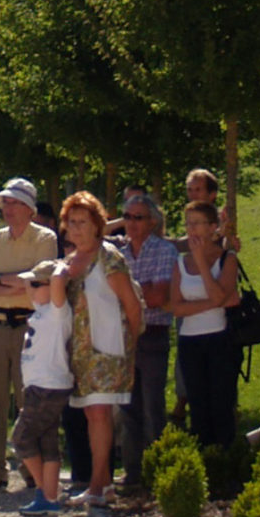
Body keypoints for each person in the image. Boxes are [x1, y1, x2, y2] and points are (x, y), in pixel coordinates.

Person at [0, 178, 58, 490]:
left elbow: (39, 279)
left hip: (29, 324)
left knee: (29, 400)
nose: (7, 208)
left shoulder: (45, 239)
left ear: (29, 209)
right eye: (5, 202)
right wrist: (14, 281)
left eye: (14, 202)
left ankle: (32, 468)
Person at [61, 192, 142, 505]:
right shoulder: (68, 262)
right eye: (72, 222)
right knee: (90, 415)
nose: (78, 228)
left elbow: (132, 306)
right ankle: (103, 483)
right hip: (78, 351)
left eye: (84, 222)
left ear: (98, 225)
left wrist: (130, 347)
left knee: (98, 414)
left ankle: (97, 484)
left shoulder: (109, 257)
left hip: (107, 349)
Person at [113, 193, 177, 489]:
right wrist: (139, 293)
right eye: (126, 217)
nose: (131, 223)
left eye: (138, 217)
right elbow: (139, 295)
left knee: (153, 406)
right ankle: (133, 472)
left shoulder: (164, 250)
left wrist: (127, 295)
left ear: (152, 221)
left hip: (152, 336)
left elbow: (159, 296)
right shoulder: (117, 254)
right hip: (123, 337)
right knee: (128, 408)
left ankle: (157, 470)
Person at [166, 202, 241, 448]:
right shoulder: (180, 263)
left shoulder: (226, 258)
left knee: (221, 403)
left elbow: (224, 295)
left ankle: (226, 458)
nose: (192, 229)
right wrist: (212, 302)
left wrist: (200, 260)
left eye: (197, 223)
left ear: (212, 227)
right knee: (198, 405)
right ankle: (205, 459)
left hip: (220, 339)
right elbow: (176, 307)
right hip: (190, 341)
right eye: (188, 224)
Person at [12, 260, 73, 515]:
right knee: (46, 442)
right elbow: (29, 284)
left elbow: (58, 281)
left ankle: (43, 490)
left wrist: (62, 266)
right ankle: (49, 497)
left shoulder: (59, 311)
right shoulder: (41, 307)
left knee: (21, 438)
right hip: (38, 386)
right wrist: (35, 279)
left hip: (48, 386)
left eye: (37, 283)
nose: (31, 288)